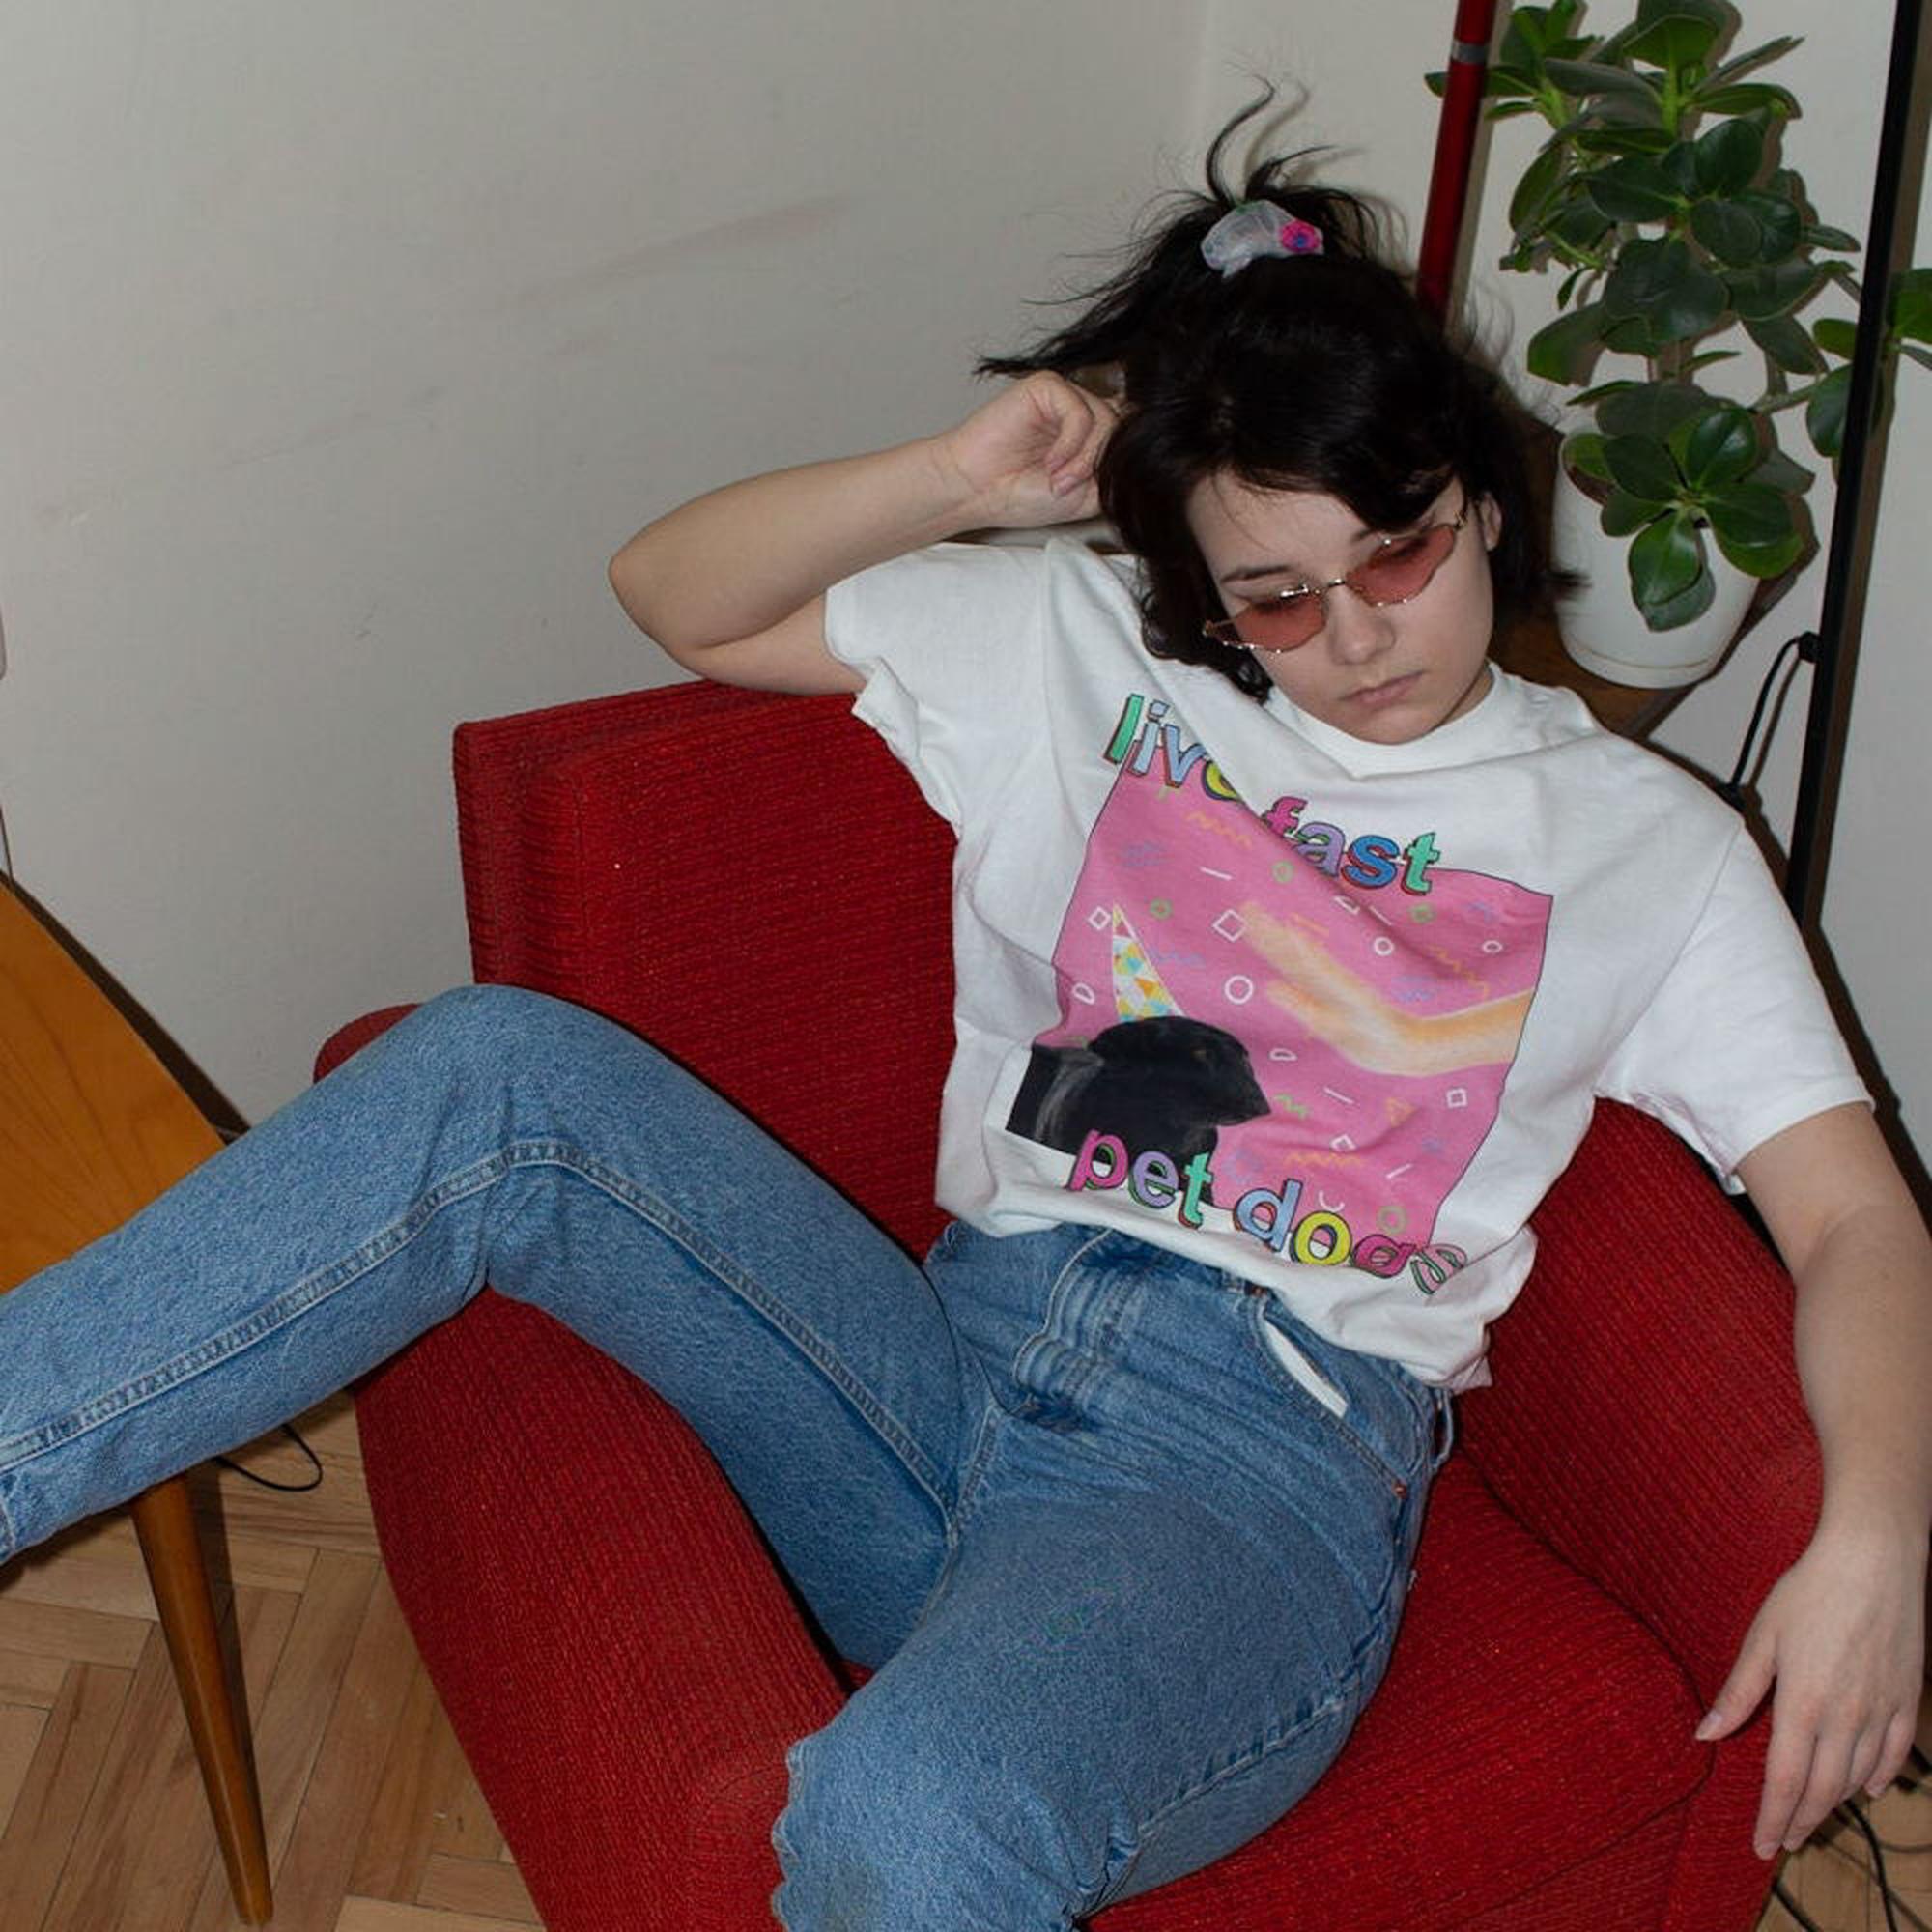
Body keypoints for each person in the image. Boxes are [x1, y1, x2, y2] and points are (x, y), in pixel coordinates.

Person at [2, 105, 1928, 1930]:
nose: (1351, 645)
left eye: (1397, 557)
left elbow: (1850, 1215)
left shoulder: (1641, 840)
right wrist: (957, 475)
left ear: (1482, 499)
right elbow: (676, 593)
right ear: (1196, 591)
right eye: (1269, 599)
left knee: (906, 1808)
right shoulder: (1077, 637)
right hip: (944, 1363)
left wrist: (1872, 1537)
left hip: (1243, 1486)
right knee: (494, 1065)